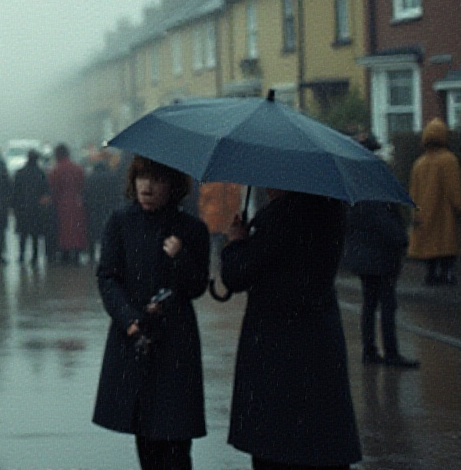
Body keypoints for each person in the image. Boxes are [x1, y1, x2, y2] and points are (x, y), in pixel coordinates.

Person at [222, 190, 362, 470]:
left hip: (276, 344)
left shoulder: (279, 216)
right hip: (320, 340)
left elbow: (237, 275)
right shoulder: (331, 211)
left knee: (276, 447)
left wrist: (236, 242)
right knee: (320, 441)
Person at [92, 157, 209, 470]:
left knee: (175, 439)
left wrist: (180, 257)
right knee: (146, 439)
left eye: (156, 179)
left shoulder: (191, 229)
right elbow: (107, 276)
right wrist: (128, 318)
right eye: (142, 177)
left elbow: (198, 285)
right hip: (136, 340)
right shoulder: (121, 221)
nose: (147, 186)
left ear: (172, 185)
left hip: (175, 345)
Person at [344, 134, 418, 368]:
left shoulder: (352, 181)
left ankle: (370, 350)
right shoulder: (377, 180)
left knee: (369, 303)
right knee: (386, 305)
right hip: (381, 254)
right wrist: (401, 239)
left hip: (364, 254)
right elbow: (382, 219)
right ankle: (391, 353)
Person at [407, 118, 461, 286]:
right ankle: (446, 275)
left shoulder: (418, 164)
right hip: (444, 215)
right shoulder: (448, 160)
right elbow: (455, 189)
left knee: (428, 247)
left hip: (423, 213)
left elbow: (413, 192)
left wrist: (414, 213)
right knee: (446, 245)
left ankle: (431, 275)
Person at [49, 143, 89, 264]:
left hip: (61, 204)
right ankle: (76, 253)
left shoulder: (56, 170)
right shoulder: (78, 169)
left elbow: (53, 188)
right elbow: (83, 185)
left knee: (63, 231)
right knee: (76, 230)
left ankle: (65, 254)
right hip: (77, 204)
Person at [12, 149, 51, 265]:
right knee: (35, 234)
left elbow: (15, 191)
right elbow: (46, 191)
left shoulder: (20, 173)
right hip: (36, 209)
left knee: (23, 235)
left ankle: (21, 256)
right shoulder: (41, 174)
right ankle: (34, 256)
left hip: (22, 208)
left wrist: (14, 207)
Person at [84, 154, 123, 263]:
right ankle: (106, 254)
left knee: (92, 232)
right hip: (107, 208)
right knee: (106, 232)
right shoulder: (112, 177)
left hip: (94, 209)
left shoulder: (90, 178)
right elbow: (117, 194)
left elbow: (85, 194)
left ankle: (92, 255)